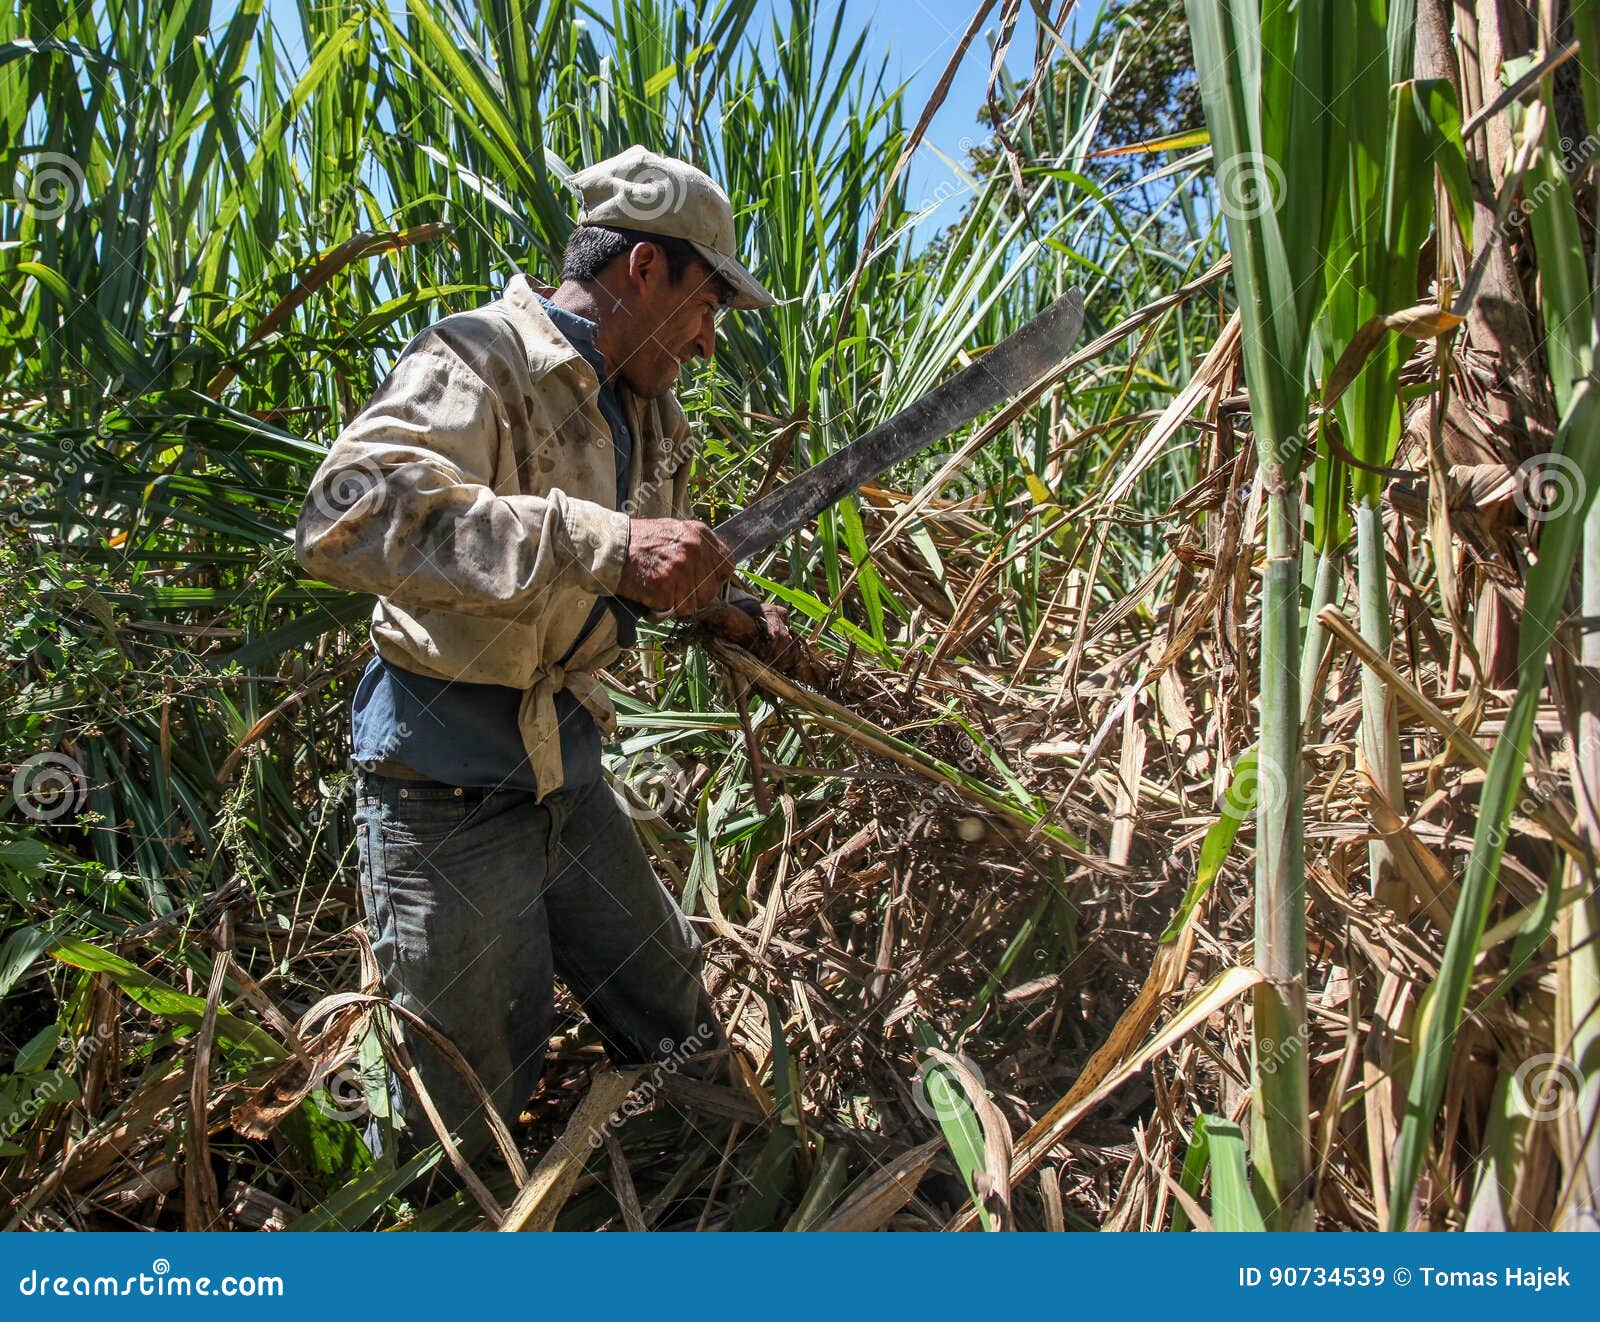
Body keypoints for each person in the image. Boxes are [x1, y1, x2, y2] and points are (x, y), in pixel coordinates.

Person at [295, 145, 794, 1178]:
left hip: (566, 770)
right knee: (462, 1109)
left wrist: (727, 610)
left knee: (676, 1023)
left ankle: (712, 1205)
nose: (707, 342)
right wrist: (601, 541)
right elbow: (344, 517)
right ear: (644, 269)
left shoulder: (652, 414)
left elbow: (637, 576)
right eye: (706, 304)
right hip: (445, 787)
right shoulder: (479, 358)